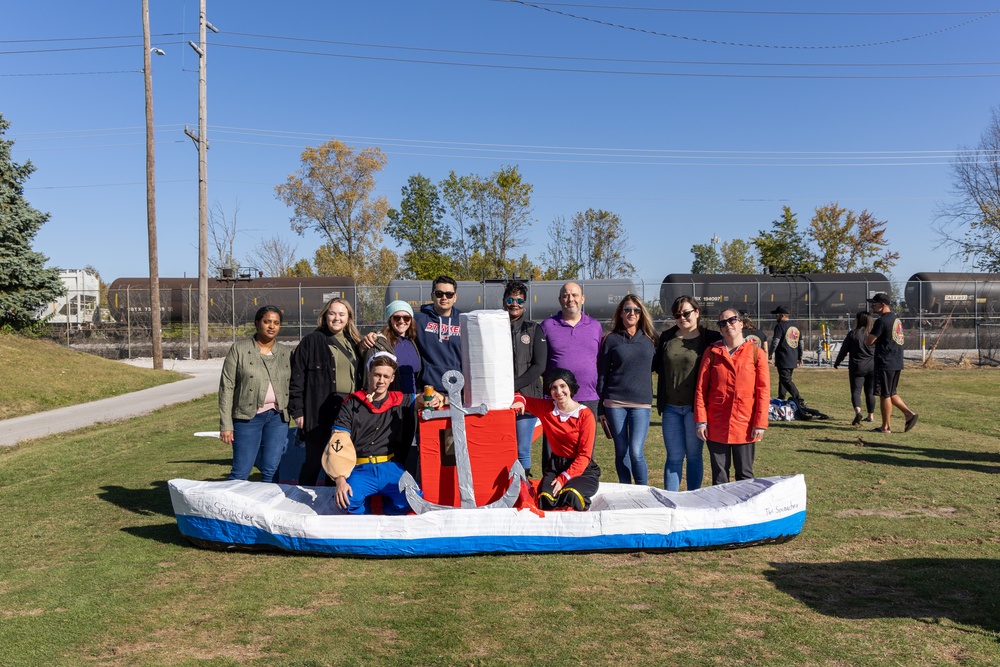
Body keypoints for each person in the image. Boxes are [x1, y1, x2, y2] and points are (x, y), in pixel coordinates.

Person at [331, 353, 442, 514]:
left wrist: (437, 398)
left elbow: (422, 399)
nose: (381, 381)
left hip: (390, 467)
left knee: (413, 499)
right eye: (377, 375)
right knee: (346, 501)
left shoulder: (400, 400)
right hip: (360, 468)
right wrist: (340, 479)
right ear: (369, 374)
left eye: (386, 376)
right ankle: (364, 518)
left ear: (392, 378)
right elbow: (337, 442)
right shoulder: (351, 404)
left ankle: (391, 514)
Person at [289, 297, 362, 486]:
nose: (336, 318)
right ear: (325, 316)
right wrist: (298, 411)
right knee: (314, 460)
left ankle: (332, 499)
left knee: (339, 459)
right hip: (318, 409)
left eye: (341, 314)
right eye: (332, 313)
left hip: (348, 409)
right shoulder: (311, 341)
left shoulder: (354, 343)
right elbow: (297, 378)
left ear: (348, 318)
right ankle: (302, 498)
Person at [653, 295, 722, 491]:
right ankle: (670, 500)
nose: (682, 317)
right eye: (677, 314)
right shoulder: (667, 338)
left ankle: (693, 500)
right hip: (671, 408)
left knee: (693, 456)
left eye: (686, 313)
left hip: (696, 410)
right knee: (673, 457)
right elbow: (656, 366)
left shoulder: (711, 339)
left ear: (697, 312)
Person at [694, 308, 770, 485]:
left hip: (745, 423)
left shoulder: (756, 353)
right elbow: (701, 390)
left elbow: (763, 391)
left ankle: (745, 512)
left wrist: (760, 422)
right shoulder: (712, 352)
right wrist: (701, 421)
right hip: (716, 423)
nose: (728, 325)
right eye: (722, 323)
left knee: (744, 474)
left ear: (741, 323)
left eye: (732, 320)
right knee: (719, 475)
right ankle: (721, 511)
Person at [218, 305, 292, 482]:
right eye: (267, 321)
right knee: (241, 470)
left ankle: (267, 507)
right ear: (257, 323)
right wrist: (226, 424)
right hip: (247, 418)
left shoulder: (286, 353)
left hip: (278, 418)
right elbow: (226, 387)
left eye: (276, 323)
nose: (272, 326)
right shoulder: (239, 350)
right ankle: (232, 508)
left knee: (271, 470)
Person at [512, 368, 601, 511]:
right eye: (554, 387)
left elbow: (584, 456)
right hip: (555, 466)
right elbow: (520, 397)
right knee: (546, 498)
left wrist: (564, 478)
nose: (558, 392)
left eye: (562, 386)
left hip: (582, 469)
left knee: (571, 495)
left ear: (570, 387)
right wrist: (520, 401)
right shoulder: (546, 408)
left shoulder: (585, 415)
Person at [597, 295, 656, 485]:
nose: (632, 313)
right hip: (615, 403)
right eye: (627, 310)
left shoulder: (650, 340)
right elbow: (602, 374)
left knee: (636, 451)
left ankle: (643, 491)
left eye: (636, 310)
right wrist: (600, 408)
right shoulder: (611, 339)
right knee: (621, 450)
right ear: (620, 313)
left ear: (641, 314)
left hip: (641, 404)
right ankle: (625, 489)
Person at [540, 281, 603, 430]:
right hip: (556, 399)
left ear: (583, 298)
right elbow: (539, 362)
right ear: (560, 299)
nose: (570, 299)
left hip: (588, 398)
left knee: (585, 450)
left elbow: (600, 361)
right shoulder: (547, 326)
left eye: (575, 295)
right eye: (566, 295)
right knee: (555, 451)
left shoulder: (595, 326)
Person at [504, 280, 547, 477]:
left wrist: (514, 386)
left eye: (520, 301)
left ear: (525, 304)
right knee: (502, 449)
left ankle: (522, 487)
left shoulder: (533, 329)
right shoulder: (493, 326)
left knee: (522, 449)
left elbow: (539, 365)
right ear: (504, 300)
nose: (515, 304)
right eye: (511, 299)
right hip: (500, 400)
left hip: (528, 398)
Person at [865, 293, 918, 434]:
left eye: (874, 304)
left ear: (883, 305)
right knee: (891, 392)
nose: (872, 306)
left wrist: (868, 335)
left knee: (884, 394)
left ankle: (885, 427)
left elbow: (869, 341)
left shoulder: (881, 321)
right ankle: (909, 414)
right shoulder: (896, 319)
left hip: (885, 362)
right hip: (896, 361)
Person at [412, 276, 463, 393]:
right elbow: (395, 328)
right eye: (439, 293)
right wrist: (377, 336)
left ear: (455, 297)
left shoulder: (464, 321)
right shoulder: (418, 320)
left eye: (449, 294)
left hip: (458, 390)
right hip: (429, 389)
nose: (444, 297)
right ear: (432, 295)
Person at [362, 300, 422, 394]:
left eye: (406, 318)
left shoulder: (413, 341)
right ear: (390, 319)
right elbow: (369, 378)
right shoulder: (379, 344)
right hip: (391, 401)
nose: (402, 321)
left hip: (413, 401)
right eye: (397, 317)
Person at [834, 311, 876, 425]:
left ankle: (858, 411)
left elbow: (844, 350)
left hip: (857, 366)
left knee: (856, 391)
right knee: (870, 392)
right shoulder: (873, 334)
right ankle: (871, 416)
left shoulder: (853, 334)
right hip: (873, 366)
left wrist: (837, 362)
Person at [769, 305, 803, 402]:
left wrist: (770, 353)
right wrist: (800, 356)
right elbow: (801, 342)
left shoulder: (780, 326)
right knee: (784, 378)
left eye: (777, 315)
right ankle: (781, 397)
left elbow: (776, 341)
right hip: (793, 356)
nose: (776, 317)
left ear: (782, 315)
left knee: (785, 379)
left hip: (784, 357)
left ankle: (798, 398)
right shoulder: (796, 326)